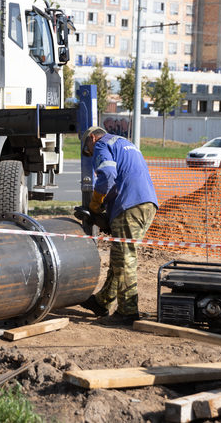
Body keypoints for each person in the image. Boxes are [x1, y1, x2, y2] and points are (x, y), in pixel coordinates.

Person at [78, 126, 158, 326]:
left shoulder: (101, 144)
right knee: (118, 256)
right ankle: (103, 302)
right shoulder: (124, 143)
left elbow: (107, 175)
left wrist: (95, 204)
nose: (91, 154)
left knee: (125, 258)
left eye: (89, 149)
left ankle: (127, 311)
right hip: (146, 203)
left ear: (92, 138)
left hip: (130, 204)